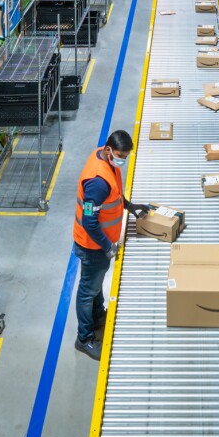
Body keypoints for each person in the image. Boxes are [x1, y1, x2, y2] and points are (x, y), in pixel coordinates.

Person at [72, 130, 148, 361]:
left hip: (99, 244)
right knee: (87, 290)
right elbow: (89, 220)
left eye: (125, 155)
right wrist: (107, 246)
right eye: (119, 155)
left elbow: (113, 195)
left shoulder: (104, 159)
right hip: (93, 245)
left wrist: (129, 206)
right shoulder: (97, 183)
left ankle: (97, 315)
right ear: (109, 150)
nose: (121, 159)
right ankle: (84, 339)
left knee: (94, 284)